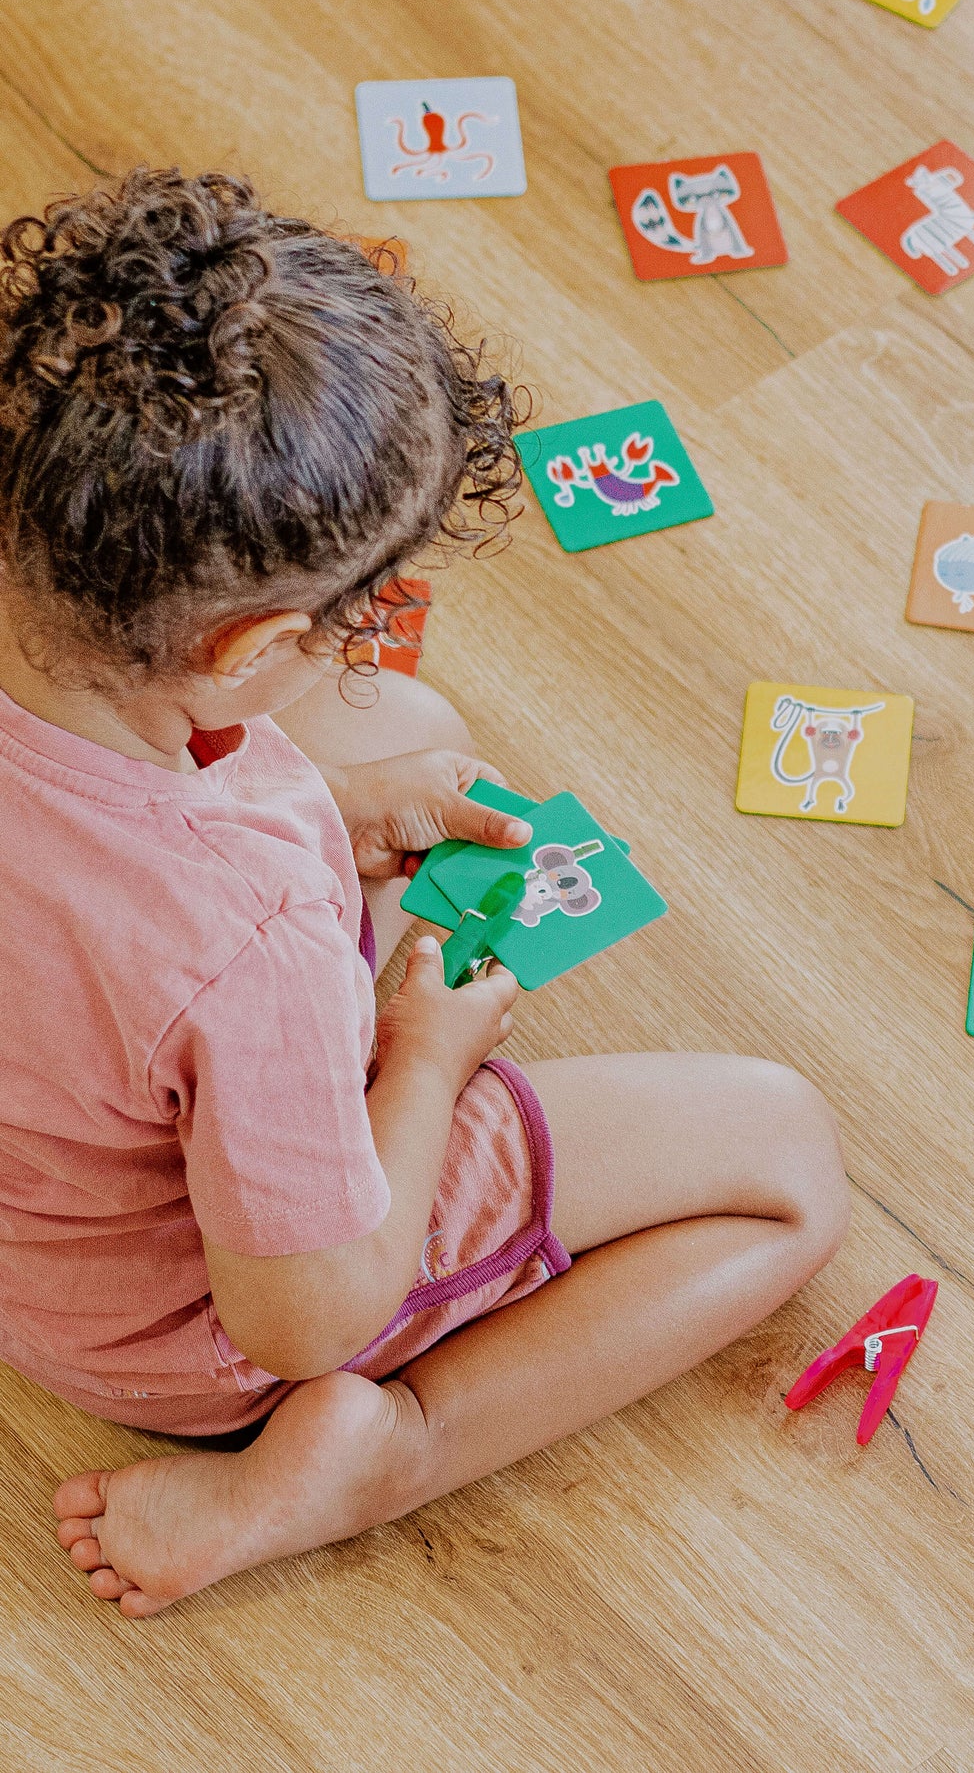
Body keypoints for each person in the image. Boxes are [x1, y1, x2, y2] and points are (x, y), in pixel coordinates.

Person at [0, 168, 849, 1617]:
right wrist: (421, 1059)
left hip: (48, 1158)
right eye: (340, 617)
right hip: (181, 1324)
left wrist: (325, 810)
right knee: (785, 1160)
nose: (354, 638)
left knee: (407, 733)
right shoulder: (243, 937)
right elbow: (306, 1307)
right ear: (246, 643)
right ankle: (385, 1454)